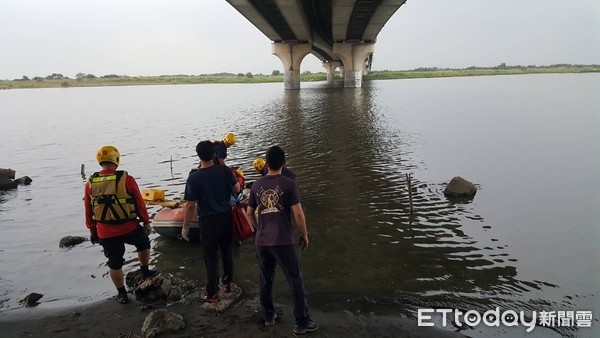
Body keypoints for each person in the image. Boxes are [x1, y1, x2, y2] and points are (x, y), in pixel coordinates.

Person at [246, 146, 319, 334]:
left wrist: (257, 228)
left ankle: (268, 316)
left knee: (266, 280)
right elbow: (298, 213)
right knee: (295, 280)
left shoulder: (256, 185)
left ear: (266, 164)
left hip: (262, 241)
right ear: (284, 163)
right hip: (283, 240)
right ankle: (302, 322)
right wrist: (304, 234)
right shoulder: (289, 183)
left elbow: (249, 212)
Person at [84, 145, 158, 304]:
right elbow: (139, 203)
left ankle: (122, 294)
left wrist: (92, 230)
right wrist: (146, 222)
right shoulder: (127, 179)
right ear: (116, 159)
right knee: (143, 243)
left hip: (105, 231)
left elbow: (88, 209)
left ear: (100, 161)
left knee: (114, 262)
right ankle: (145, 271)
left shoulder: (90, 183)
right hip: (129, 227)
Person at [181, 140, 241, 302]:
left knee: (211, 256)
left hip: (207, 220)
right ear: (214, 153)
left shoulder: (194, 178)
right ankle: (228, 282)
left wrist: (185, 227)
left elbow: (190, 205)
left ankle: (212, 292)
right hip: (226, 216)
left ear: (198, 155)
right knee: (227, 251)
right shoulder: (224, 171)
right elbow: (237, 189)